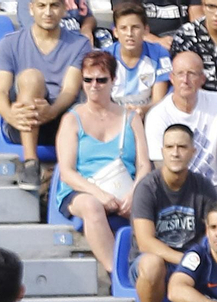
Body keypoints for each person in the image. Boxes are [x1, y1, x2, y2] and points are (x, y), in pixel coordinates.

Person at [58, 51, 151, 273]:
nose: (94, 86)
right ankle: (117, 272)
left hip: (124, 188)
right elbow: (67, 172)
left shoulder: (131, 118)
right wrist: (99, 195)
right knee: (92, 206)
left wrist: (133, 194)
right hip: (82, 190)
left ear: (113, 81)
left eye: (101, 80)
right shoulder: (72, 119)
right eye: (88, 80)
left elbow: (144, 165)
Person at [0, 0, 90, 190]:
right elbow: (0, 92)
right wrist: (11, 115)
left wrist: (52, 111)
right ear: (31, 9)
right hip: (21, 122)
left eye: (54, 6)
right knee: (31, 78)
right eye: (41, 5)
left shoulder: (80, 44)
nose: (48, 12)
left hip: (61, 119)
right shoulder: (9, 43)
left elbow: (70, 90)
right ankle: (31, 163)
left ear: (64, 9)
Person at [133, 124, 217, 302]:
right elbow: (145, 242)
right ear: (161, 151)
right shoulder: (147, 187)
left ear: (193, 152)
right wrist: (186, 259)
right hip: (153, 262)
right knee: (152, 264)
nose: (175, 152)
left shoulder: (204, 187)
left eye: (181, 146)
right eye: (169, 146)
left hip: (191, 262)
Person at [145, 51, 217, 181]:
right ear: (171, 78)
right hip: (181, 191)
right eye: (180, 74)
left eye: (192, 74)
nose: (185, 80)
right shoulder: (157, 116)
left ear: (202, 79)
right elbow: (163, 171)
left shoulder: (214, 103)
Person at [110, 3, 171, 112]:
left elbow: (158, 101)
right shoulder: (105, 57)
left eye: (135, 27)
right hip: (112, 115)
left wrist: (142, 110)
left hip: (149, 114)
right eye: (123, 28)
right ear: (115, 32)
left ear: (146, 30)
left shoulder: (159, 53)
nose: (129, 33)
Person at [171, 0, 217, 89]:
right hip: (198, 98)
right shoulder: (185, 36)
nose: (216, 13)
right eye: (211, 6)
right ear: (203, 6)